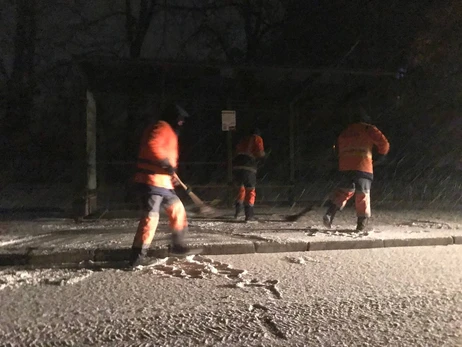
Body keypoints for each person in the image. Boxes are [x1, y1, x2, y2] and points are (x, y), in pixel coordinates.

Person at [129, 103, 196, 267]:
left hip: (165, 184)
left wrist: (171, 174)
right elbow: (152, 145)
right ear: (173, 118)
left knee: (178, 210)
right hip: (151, 181)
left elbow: (167, 160)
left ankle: (178, 246)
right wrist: (165, 163)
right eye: (180, 119)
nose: (181, 123)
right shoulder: (160, 126)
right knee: (151, 218)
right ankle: (137, 256)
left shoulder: (170, 131)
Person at [323, 102, 390, 231]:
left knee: (344, 191)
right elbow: (384, 144)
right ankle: (361, 225)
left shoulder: (345, 132)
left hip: (345, 167)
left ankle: (330, 213)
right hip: (363, 167)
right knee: (362, 195)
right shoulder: (368, 129)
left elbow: (336, 149)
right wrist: (380, 156)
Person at [232, 128, 266, 222]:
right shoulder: (257, 138)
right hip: (248, 166)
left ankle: (237, 212)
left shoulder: (243, 139)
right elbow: (260, 152)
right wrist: (264, 155)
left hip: (236, 165)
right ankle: (249, 215)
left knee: (240, 189)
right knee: (250, 190)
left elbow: (237, 150)